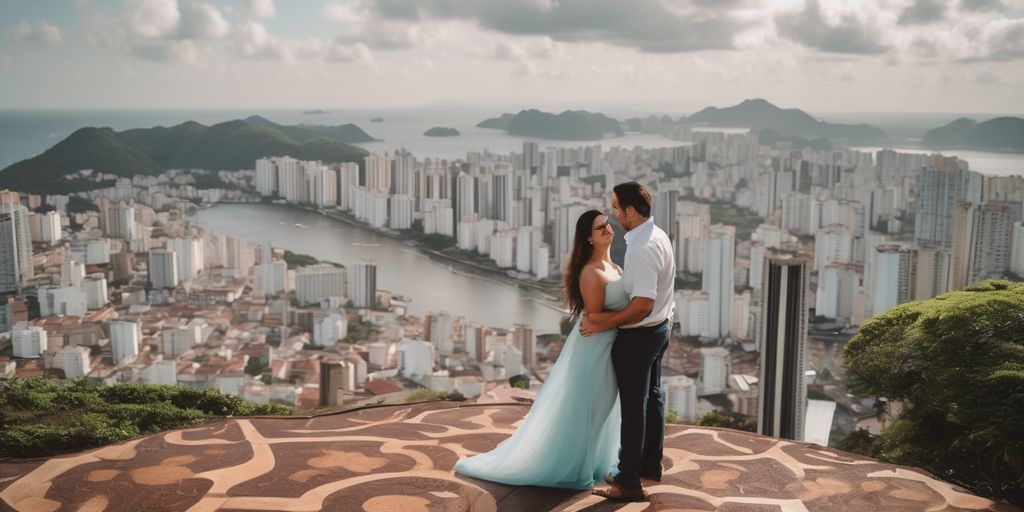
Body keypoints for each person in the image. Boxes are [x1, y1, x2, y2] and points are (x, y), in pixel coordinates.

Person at [454, 209, 627, 489]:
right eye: (600, 228)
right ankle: (575, 467)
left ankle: (594, 462)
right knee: (591, 409)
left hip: (608, 347)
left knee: (606, 409)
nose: (608, 229)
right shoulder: (591, 272)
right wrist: (632, 315)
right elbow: (594, 318)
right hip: (595, 350)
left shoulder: (612, 265)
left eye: (607, 224)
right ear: (589, 239)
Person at [582, 182, 676, 502]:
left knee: (634, 409)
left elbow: (642, 305)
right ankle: (649, 466)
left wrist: (602, 322)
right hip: (660, 330)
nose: (614, 213)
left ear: (631, 212)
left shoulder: (642, 247)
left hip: (641, 336)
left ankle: (628, 482)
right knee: (652, 400)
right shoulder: (657, 234)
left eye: (617, 208)